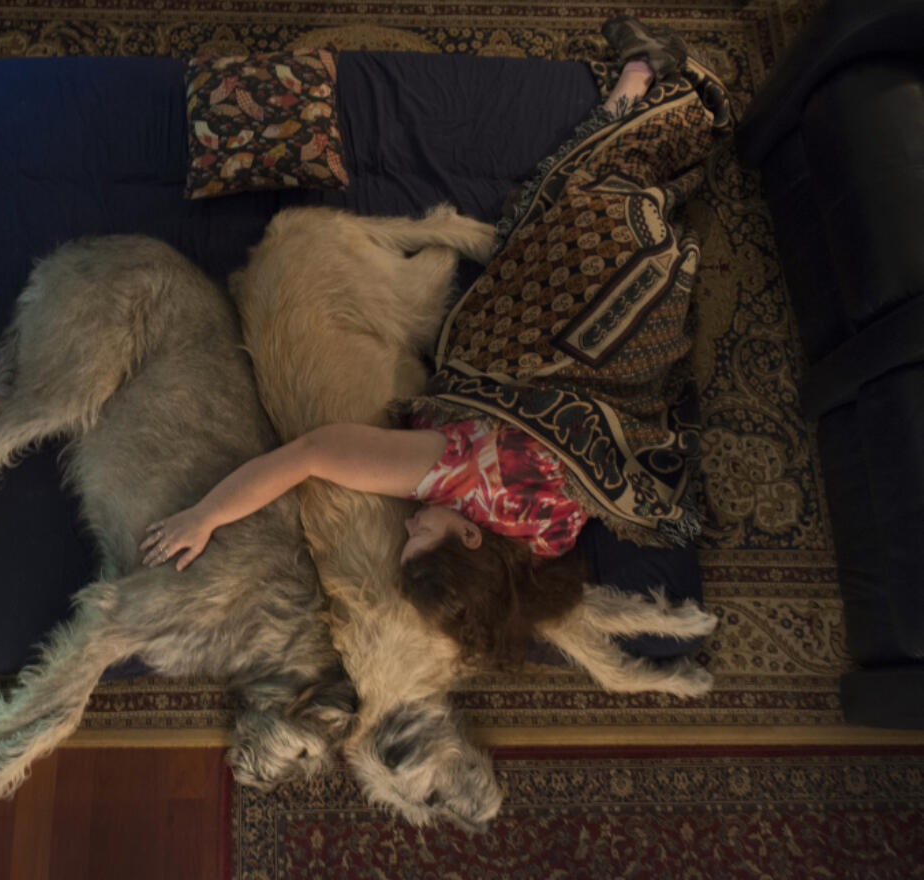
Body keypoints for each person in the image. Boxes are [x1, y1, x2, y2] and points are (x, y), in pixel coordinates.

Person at [143, 21, 710, 669]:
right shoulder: (454, 475)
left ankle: (636, 90)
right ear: (470, 534)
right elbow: (308, 453)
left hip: (616, 348)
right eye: (423, 536)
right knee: (554, 200)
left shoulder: (548, 541)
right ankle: (639, 77)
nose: (408, 527)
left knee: (594, 204)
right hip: (554, 326)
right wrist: (206, 514)